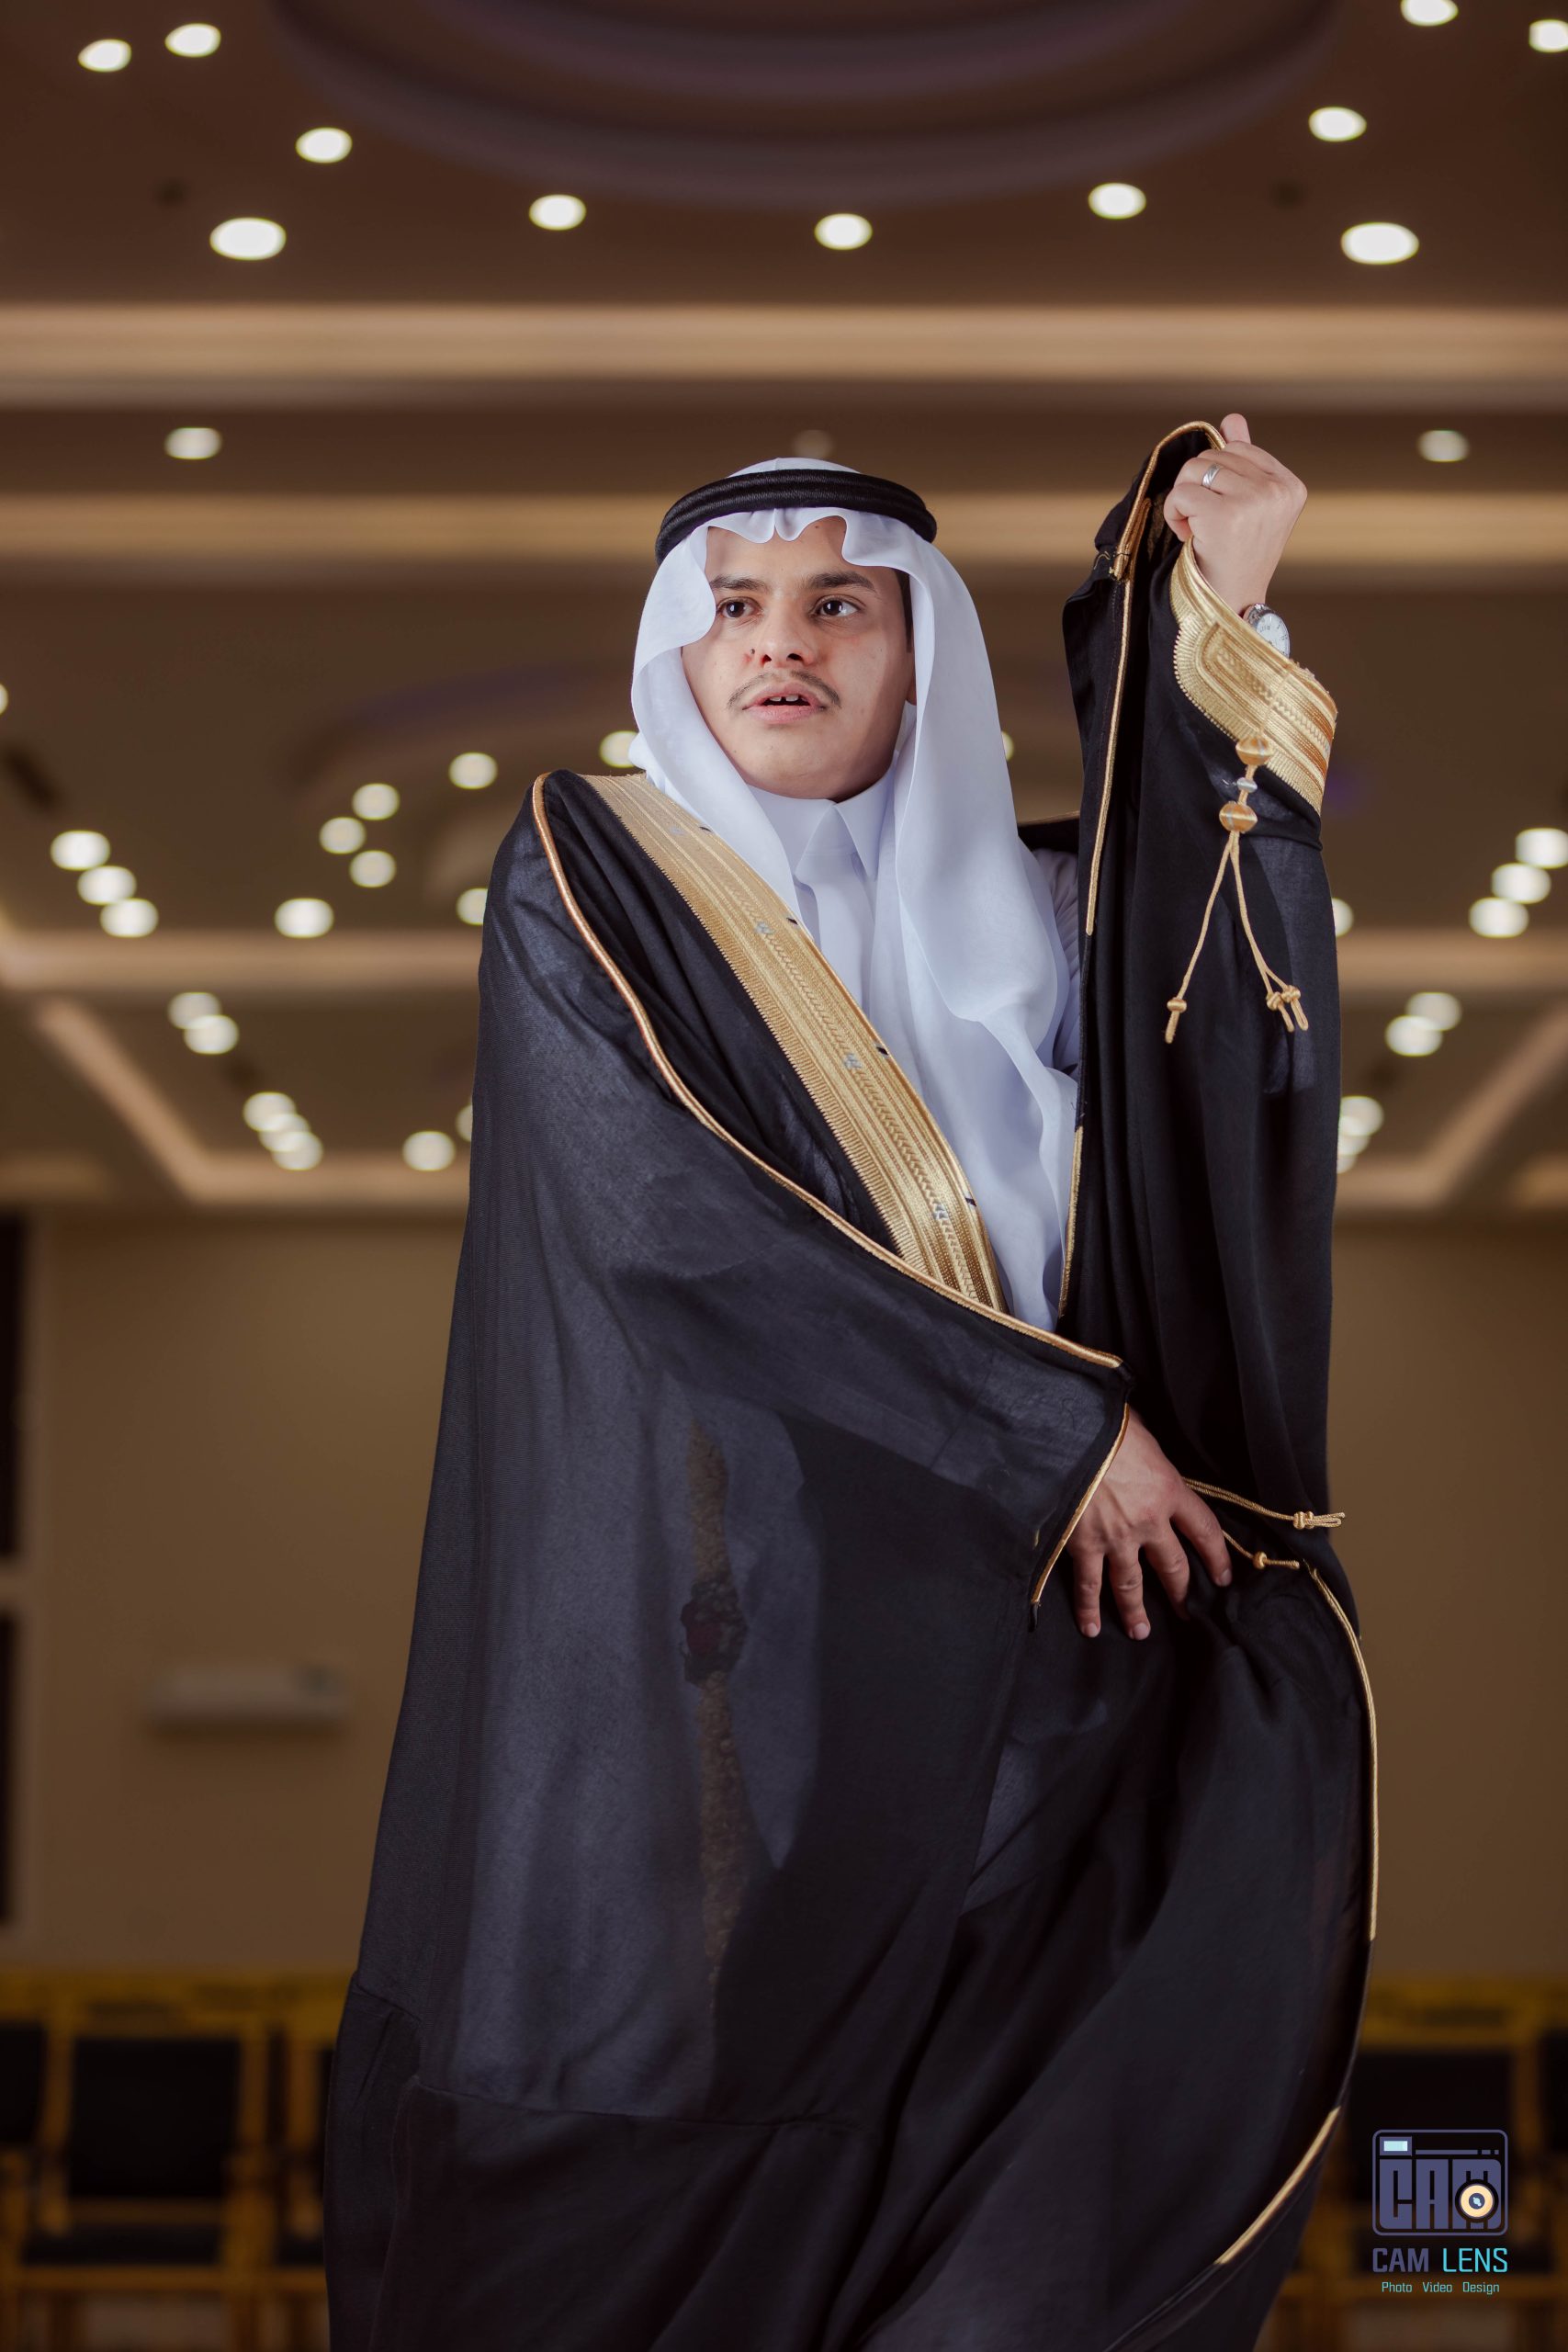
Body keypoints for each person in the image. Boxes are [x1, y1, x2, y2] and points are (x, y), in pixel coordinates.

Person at [323, 418, 1377, 2352]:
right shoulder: (594, 876)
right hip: (783, 1697)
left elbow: (1223, 1012)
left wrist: (1215, 602)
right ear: (680, 645)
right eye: (733, 606)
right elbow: (674, 1222)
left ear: (923, 656)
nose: (778, 642)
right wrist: (1044, 1432)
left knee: (1051, 2226)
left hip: (1100, 1658)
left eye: (836, 606)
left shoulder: (1045, 922)